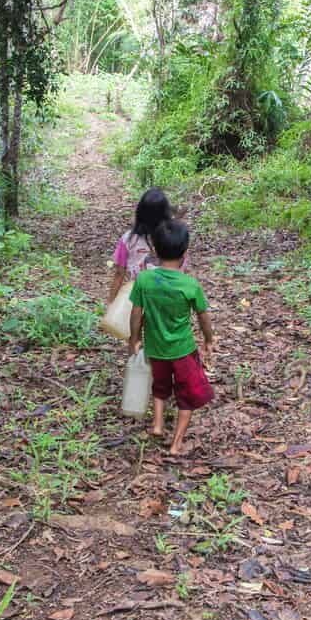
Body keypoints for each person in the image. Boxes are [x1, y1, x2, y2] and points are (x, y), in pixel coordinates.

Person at [129, 219, 215, 455]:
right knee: (186, 396)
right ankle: (176, 444)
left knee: (160, 386)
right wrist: (208, 339)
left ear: (154, 251)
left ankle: (157, 425)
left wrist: (134, 339)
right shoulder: (189, 284)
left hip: (155, 348)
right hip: (183, 350)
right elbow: (203, 316)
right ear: (185, 252)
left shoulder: (144, 279)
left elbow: (136, 313)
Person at [107, 187, 187, 307]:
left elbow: (119, 273)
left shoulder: (128, 239)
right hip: (169, 297)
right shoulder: (174, 237)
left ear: (140, 212)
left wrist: (111, 304)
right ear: (166, 212)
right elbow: (182, 267)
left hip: (138, 298)